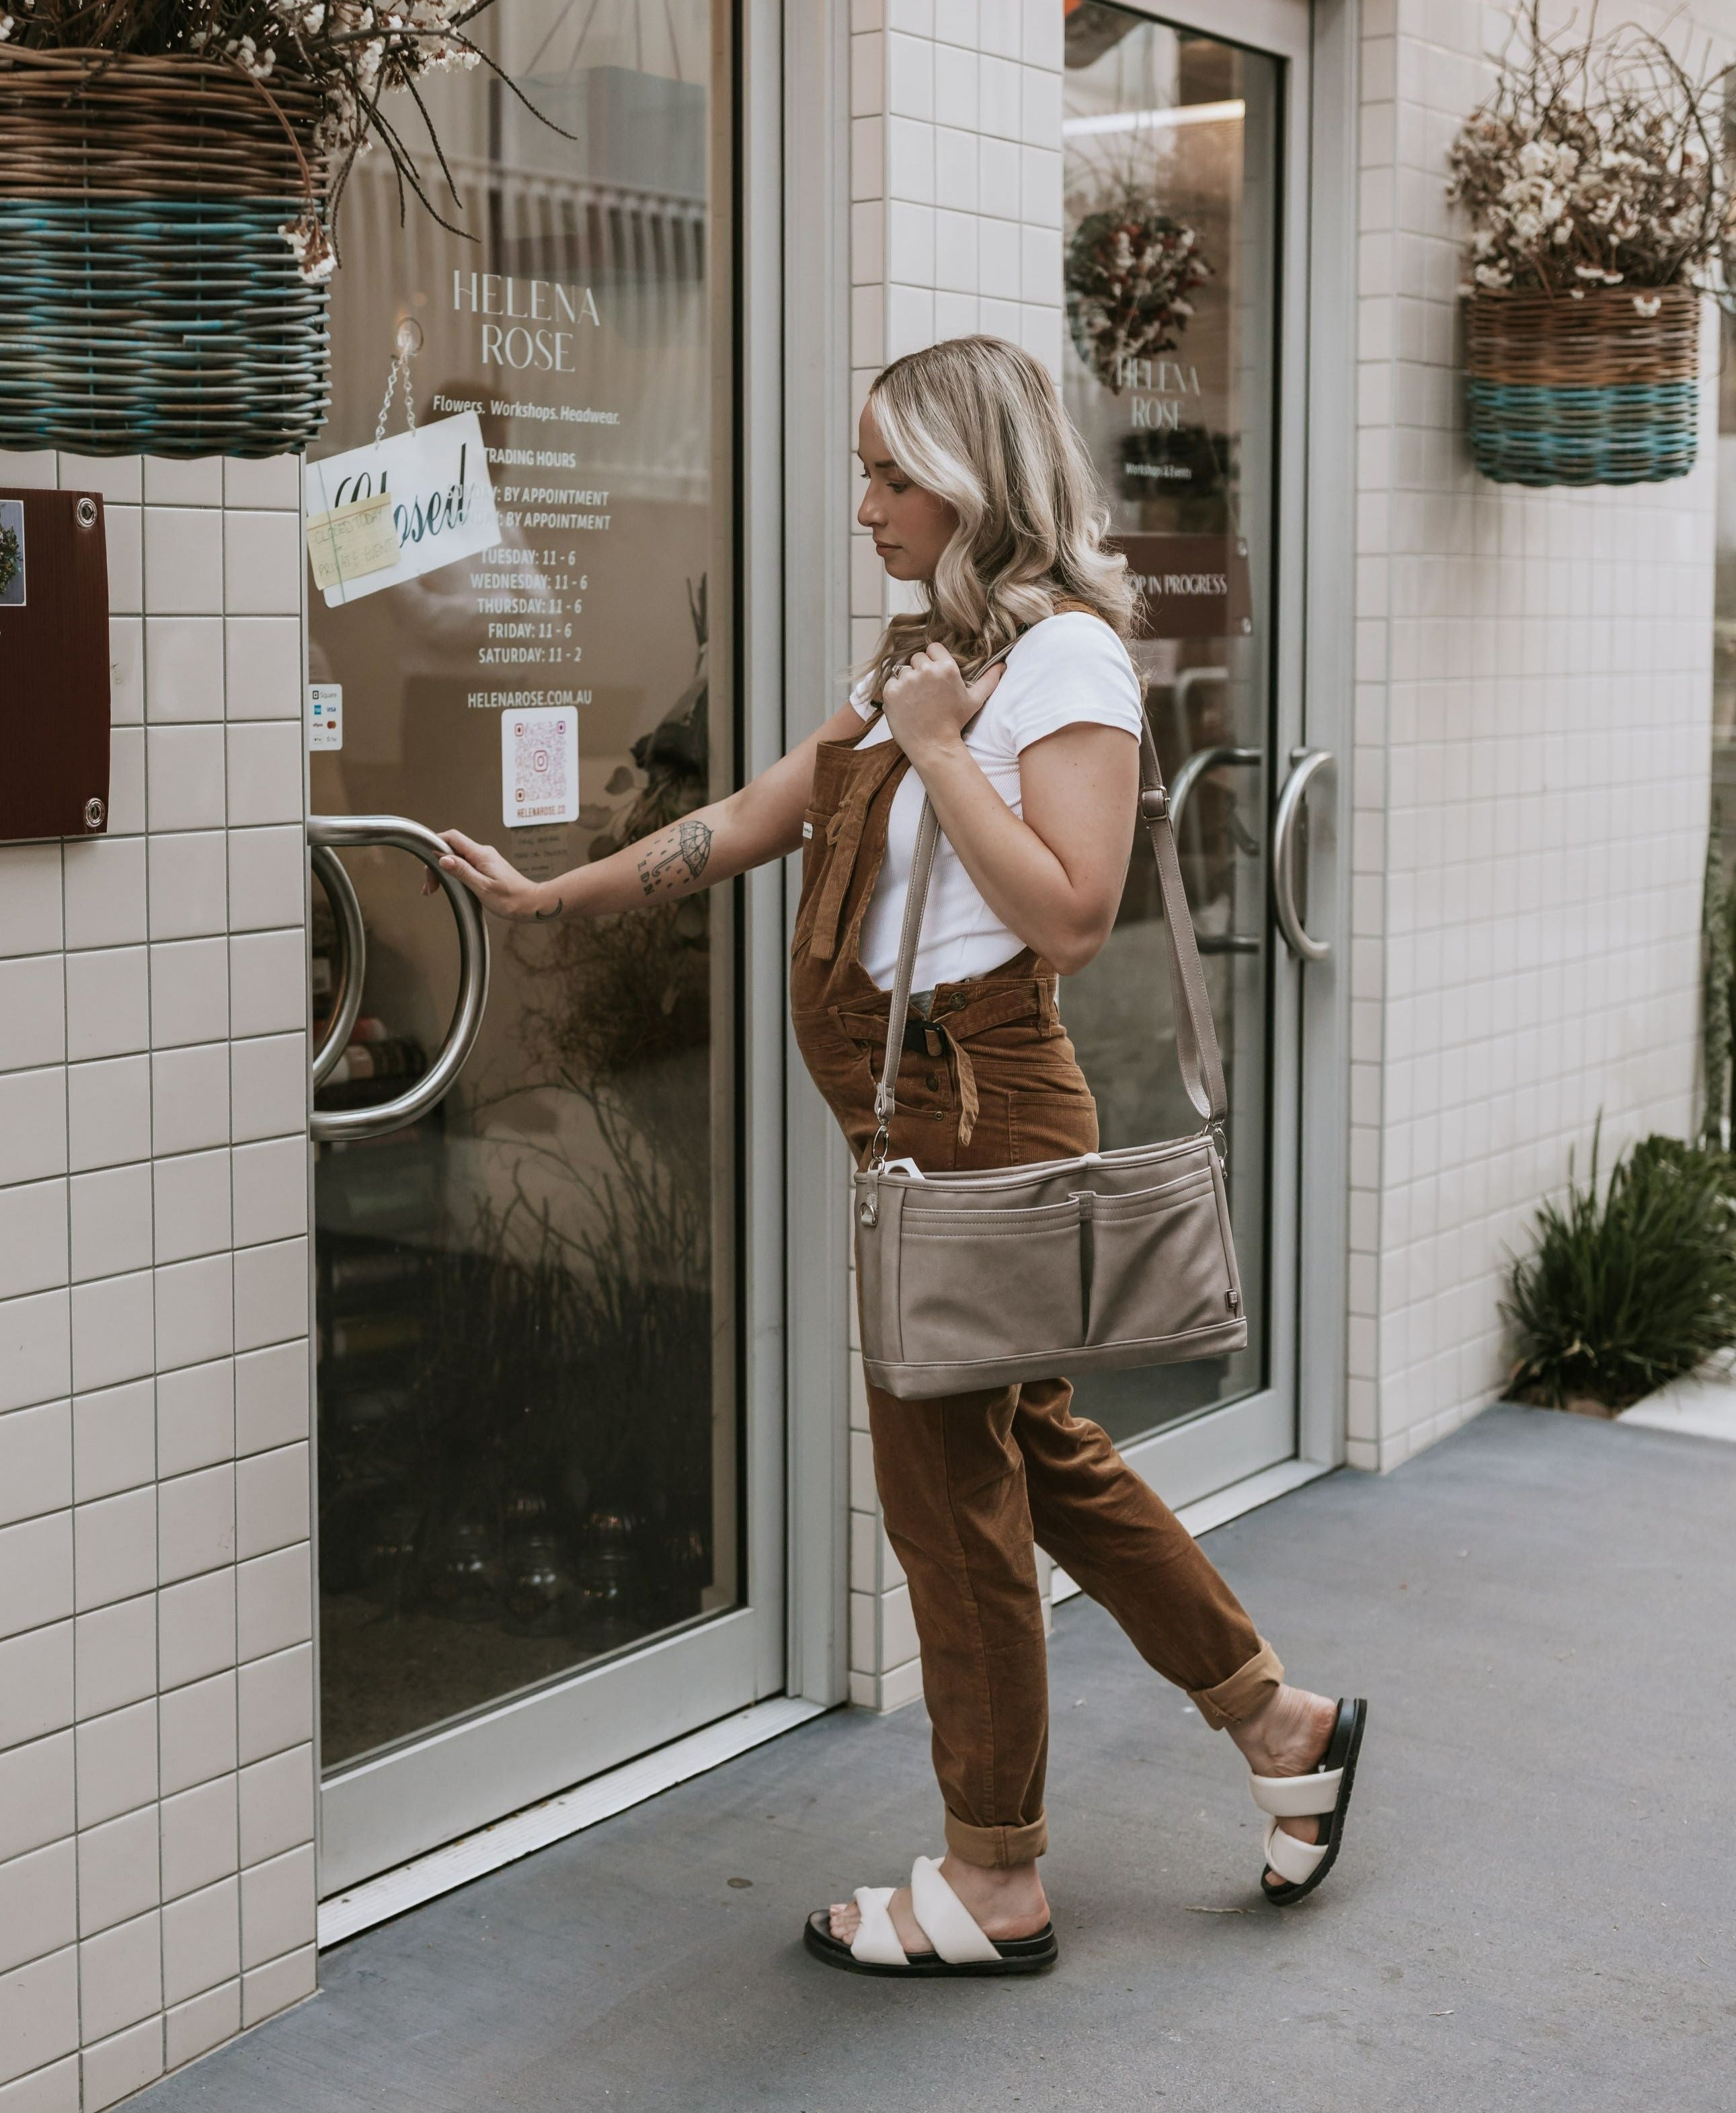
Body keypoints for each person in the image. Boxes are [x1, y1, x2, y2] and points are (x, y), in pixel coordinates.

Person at [430, 335, 1365, 1977]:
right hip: (916, 1113)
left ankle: (994, 1876)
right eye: (859, 468)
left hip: (977, 1108)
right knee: (1039, 1457)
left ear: (973, 480)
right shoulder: (931, 645)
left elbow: (1071, 914)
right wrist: (547, 895)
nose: (860, 503)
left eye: (888, 473)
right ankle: (1278, 1721)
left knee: (948, 1509)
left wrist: (939, 744)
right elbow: (763, 810)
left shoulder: (1060, 662)